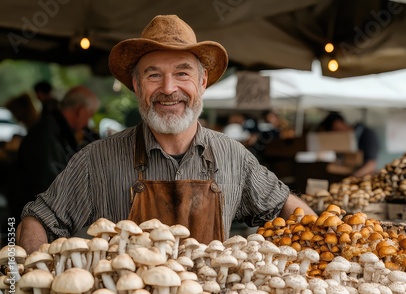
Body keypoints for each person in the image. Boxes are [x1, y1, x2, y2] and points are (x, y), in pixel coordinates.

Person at [16, 15, 316, 253]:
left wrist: (319, 252)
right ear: (136, 86)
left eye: (182, 73)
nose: (169, 88)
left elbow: (285, 206)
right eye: (154, 74)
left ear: (202, 81)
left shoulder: (233, 155)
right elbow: (39, 219)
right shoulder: (97, 159)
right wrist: (34, 279)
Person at [9, 86, 99, 223]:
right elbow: (50, 189)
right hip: (33, 220)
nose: (88, 123)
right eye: (90, 115)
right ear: (80, 111)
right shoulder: (46, 135)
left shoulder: (56, 129)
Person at [320, 111, 379, 178]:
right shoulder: (343, 140)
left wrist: (353, 177)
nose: (337, 134)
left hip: (364, 177)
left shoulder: (366, 135)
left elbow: (371, 164)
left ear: (338, 123)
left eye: (335, 130)